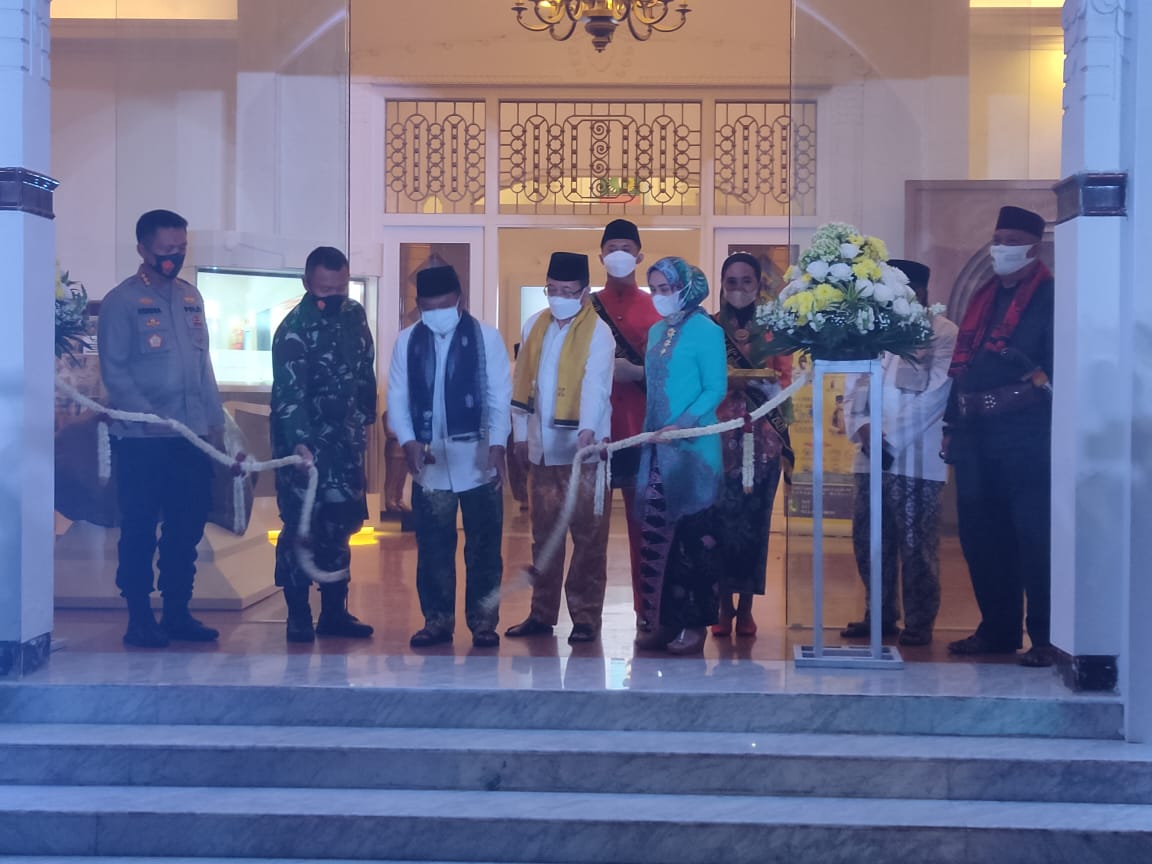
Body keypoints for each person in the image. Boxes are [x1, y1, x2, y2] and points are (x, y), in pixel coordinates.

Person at [98, 209, 224, 648]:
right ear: (143, 249)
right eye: (166, 249)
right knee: (139, 529)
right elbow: (115, 372)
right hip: (142, 441)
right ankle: (139, 617)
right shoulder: (122, 302)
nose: (174, 256)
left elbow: (203, 368)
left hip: (190, 438)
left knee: (186, 528)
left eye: (181, 248)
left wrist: (214, 424)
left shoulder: (191, 297)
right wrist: (150, 418)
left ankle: (176, 612)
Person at [943, 206, 1055, 667]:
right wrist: (951, 426)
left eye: (1011, 241)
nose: (1001, 249)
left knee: (1033, 537)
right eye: (997, 239)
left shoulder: (1051, 296)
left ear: (1034, 247)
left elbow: (1055, 368)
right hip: (975, 435)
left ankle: (1046, 638)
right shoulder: (984, 296)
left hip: (1026, 435)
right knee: (981, 536)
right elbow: (962, 369)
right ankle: (998, 629)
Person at [387, 264, 511, 648]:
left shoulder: (486, 338)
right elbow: (397, 396)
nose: (437, 313)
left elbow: (498, 396)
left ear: (460, 300)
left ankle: (484, 622)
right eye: (428, 307)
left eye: (444, 305)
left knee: (484, 548)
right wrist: (408, 440)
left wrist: (498, 444)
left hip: (478, 460)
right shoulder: (407, 341)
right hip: (430, 462)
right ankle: (437, 621)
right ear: (419, 305)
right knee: (433, 547)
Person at [841, 259, 957, 647]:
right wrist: (862, 426)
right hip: (869, 454)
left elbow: (937, 394)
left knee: (916, 544)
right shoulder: (873, 330)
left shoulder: (943, 332)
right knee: (869, 540)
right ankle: (879, 615)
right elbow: (853, 384)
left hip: (915, 458)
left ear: (922, 291)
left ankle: (920, 622)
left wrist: (888, 440)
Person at [506, 252, 615, 644]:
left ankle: (585, 617)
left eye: (568, 291)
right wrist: (520, 434)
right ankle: (541, 614)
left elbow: (596, 386)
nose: (560, 297)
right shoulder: (535, 325)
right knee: (544, 538)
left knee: (589, 539)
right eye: (553, 290)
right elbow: (523, 383)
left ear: (585, 292)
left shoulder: (599, 332)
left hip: (586, 452)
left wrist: (587, 430)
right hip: (542, 450)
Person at [271, 246, 377, 644]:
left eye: (340, 288)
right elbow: (289, 397)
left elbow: (364, 369)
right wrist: (300, 444)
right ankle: (298, 615)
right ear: (306, 283)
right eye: (324, 289)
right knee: (301, 528)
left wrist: (366, 418)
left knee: (340, 526)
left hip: (344, 446)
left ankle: (334, 612)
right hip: (305, 453)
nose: (334, 296)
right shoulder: (292, 330)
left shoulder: (353, 315)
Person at [634, 257, 727, 655]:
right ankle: (663, 622)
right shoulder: (656, 330)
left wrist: (683, 425)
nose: (660, 296)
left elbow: (715, 389)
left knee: (695, 541)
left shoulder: (708, 331)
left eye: (667, 288)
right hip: (657, 449)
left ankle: (695, 625)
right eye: (654, 289)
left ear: (686, 288)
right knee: (657, 537)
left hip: (694, 453)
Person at [710, 252, 793, 638]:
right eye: (732, 282)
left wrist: (760, 383)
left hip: (764, 438)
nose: (739, 288)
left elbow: (785, 380)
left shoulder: (775, 329)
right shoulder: (710, 328)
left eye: (747, 281)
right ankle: (722, 606)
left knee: (755, 524)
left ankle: (746, 608)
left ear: (759, 285)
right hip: (719, 438)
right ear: (722, 285)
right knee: (719, 523)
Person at [590, 219, 662, 630]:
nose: (618, 254)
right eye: (611, 247)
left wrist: (639, 373)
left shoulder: (656, 308)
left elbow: (671, 371)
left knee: (645, 529)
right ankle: (585, 615)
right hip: (595, 433)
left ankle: (648, 612)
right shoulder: (586, 308)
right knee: (590, 531)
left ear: (639, 256)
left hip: (641, 431)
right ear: (600, 255)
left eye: (626, 248)